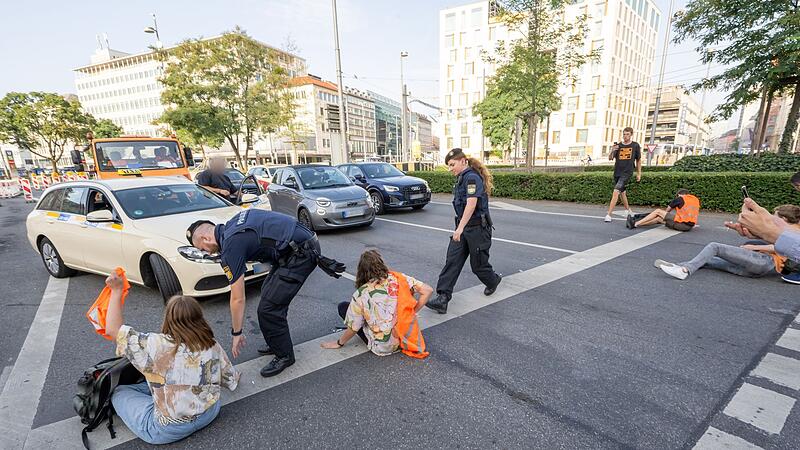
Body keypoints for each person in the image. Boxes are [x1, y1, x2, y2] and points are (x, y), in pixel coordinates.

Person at [187, 208, 345, 377]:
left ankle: (285, 356)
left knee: (269, 309)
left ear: (206, 238)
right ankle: (278, 342)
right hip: (295, 247)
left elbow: (237, 298)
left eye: (202, 248)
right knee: (269, 296)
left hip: (301, 254)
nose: (205, 252)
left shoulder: (230, 247)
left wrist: (237, 333)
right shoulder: (234, 223)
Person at [103, 271, 239, 445]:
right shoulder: (210, 343)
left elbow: (114, 331)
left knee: (119, 393)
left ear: (168, 318)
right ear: (199, 317)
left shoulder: (156, 345)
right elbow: (230, 378)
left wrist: (116, 291)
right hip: (209, 413)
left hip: (169, 429)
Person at [426, 148, 502, 315]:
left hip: (477, 230)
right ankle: (443, 298)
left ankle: (493, 280)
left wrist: (459, 229)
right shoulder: (462, 179)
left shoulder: (472, 178)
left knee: (478, 266)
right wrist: (460, 229)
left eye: (452, 164)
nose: (450, 168)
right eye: (449, 165)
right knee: (452, 261)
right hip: (464, 228)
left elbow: (471, 204)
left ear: (463, 162)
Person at [321, 249, 433, 355]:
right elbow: (428, 290)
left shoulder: (361, 293)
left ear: (362, 271)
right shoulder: (399, 278)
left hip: (383, 346)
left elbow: (354, 327)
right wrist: (412, 312)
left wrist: (339, 343)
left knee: (344, 307)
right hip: (404, 338)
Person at [657, 205, 800, 280]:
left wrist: (753, 247)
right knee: (708, 260)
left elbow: (781, 247)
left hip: (765, 261)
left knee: (715, 247)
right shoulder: (787, 232)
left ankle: (684, 270)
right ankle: (678, 266)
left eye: (775, 218)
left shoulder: (793, 233)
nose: (772, 220)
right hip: (757, 270)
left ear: (785, 219)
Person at [604, 127, 642, 222]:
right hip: (617, 172)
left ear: (631, 135)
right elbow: (610, 158)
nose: (625, 136)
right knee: (622, 192)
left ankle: (608, 215)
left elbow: (638, 160)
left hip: (627, 172)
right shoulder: (618, 146)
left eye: (627, 134)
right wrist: (613, 150)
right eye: (624, 134)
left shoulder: (635, 145)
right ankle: (628, 210)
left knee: (616, 191)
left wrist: (638, 173)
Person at [627, 189, 699, 231]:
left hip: (681, 223)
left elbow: (667, 211)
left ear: (680, 194)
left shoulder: (680, 199)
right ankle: (633, 225)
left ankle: (636, 223)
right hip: (688, 227)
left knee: (658, 211)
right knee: (658, 219)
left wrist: (657, 214)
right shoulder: (695, 199)